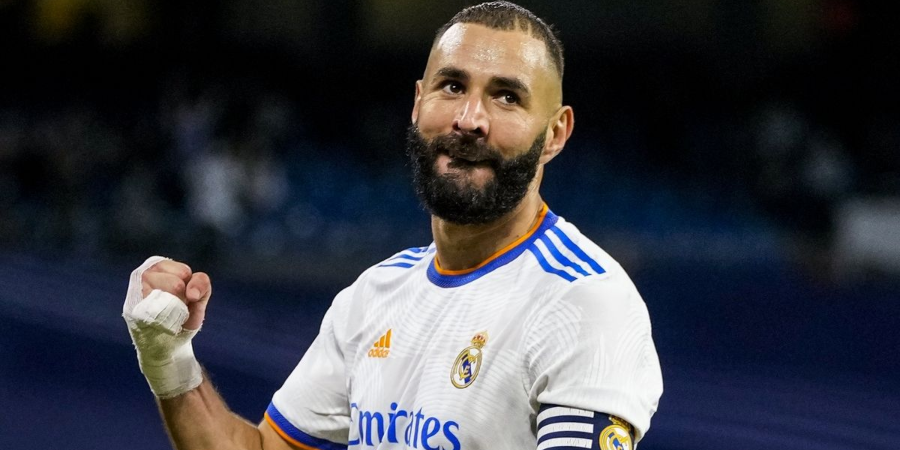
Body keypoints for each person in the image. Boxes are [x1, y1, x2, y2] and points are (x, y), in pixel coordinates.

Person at [122, 2, 663, 449]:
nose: (470, 119)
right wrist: (169, 360)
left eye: (507, 97)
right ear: (418, 103)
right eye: (452, 86)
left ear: (555, 133)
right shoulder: (374, 295)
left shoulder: (582, 301)